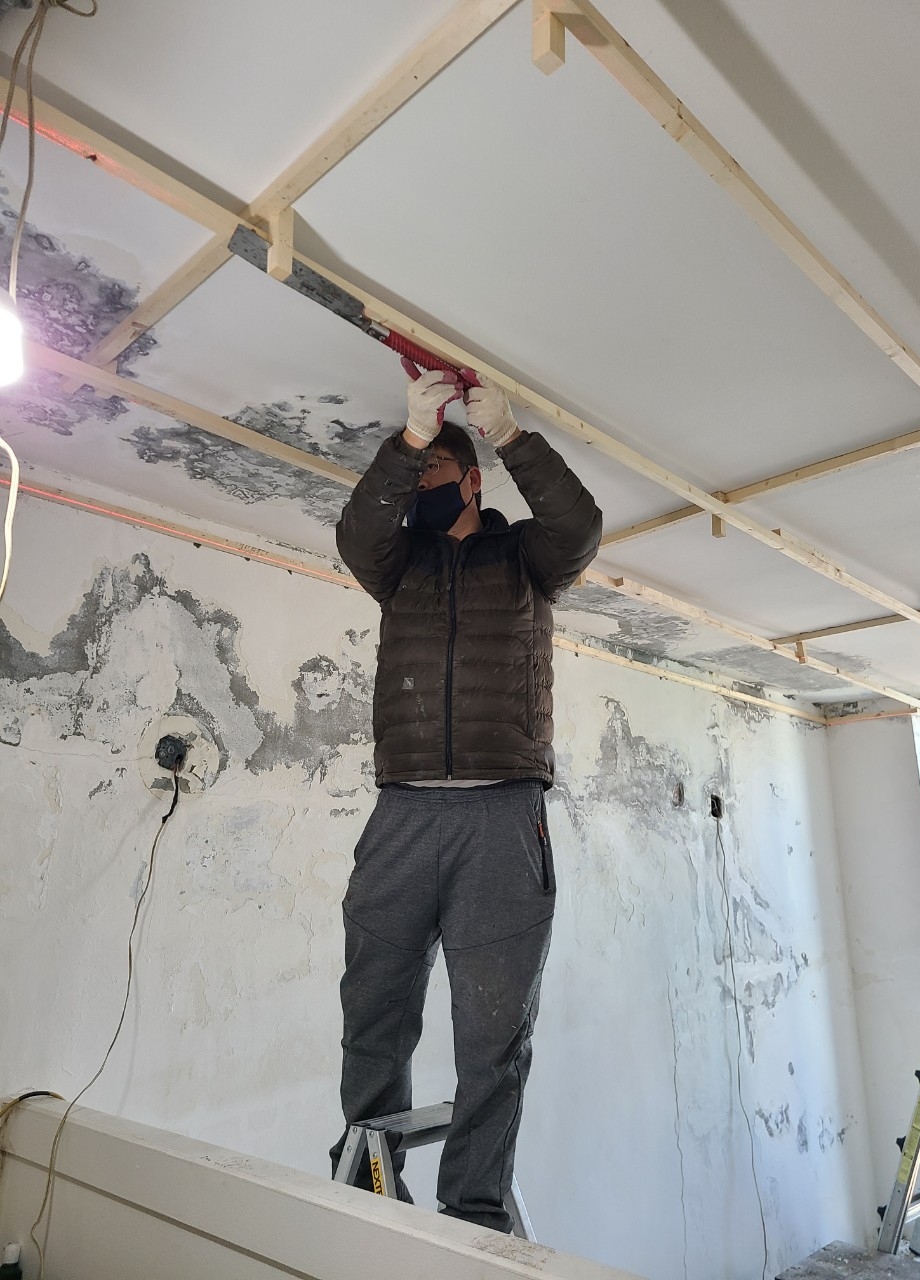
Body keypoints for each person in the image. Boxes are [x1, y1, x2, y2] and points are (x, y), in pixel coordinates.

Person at [331, 362, 602, 1231]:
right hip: (403, 811)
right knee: (374, 1007)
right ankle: (371, 1195)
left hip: (501, 817)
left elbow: (580, 527)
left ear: (473, 482)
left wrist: (513, 435)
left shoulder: (525, 560)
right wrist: (409, 441)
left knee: (493, 1034)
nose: (420, 491)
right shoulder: (397, 567)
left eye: (434, 475)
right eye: (414, 478)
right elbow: (356, 533)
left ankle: (472, 1213)